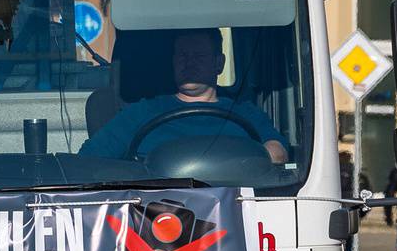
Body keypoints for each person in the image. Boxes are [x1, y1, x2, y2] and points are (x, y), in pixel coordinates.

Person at [80, 29, 289, 166]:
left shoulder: (245, 112)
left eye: (199, 56)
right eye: (182, 55)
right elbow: (89, 159)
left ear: (219, 63)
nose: (189, 63)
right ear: (173, 62)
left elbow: (278, 153)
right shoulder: (141, 112)